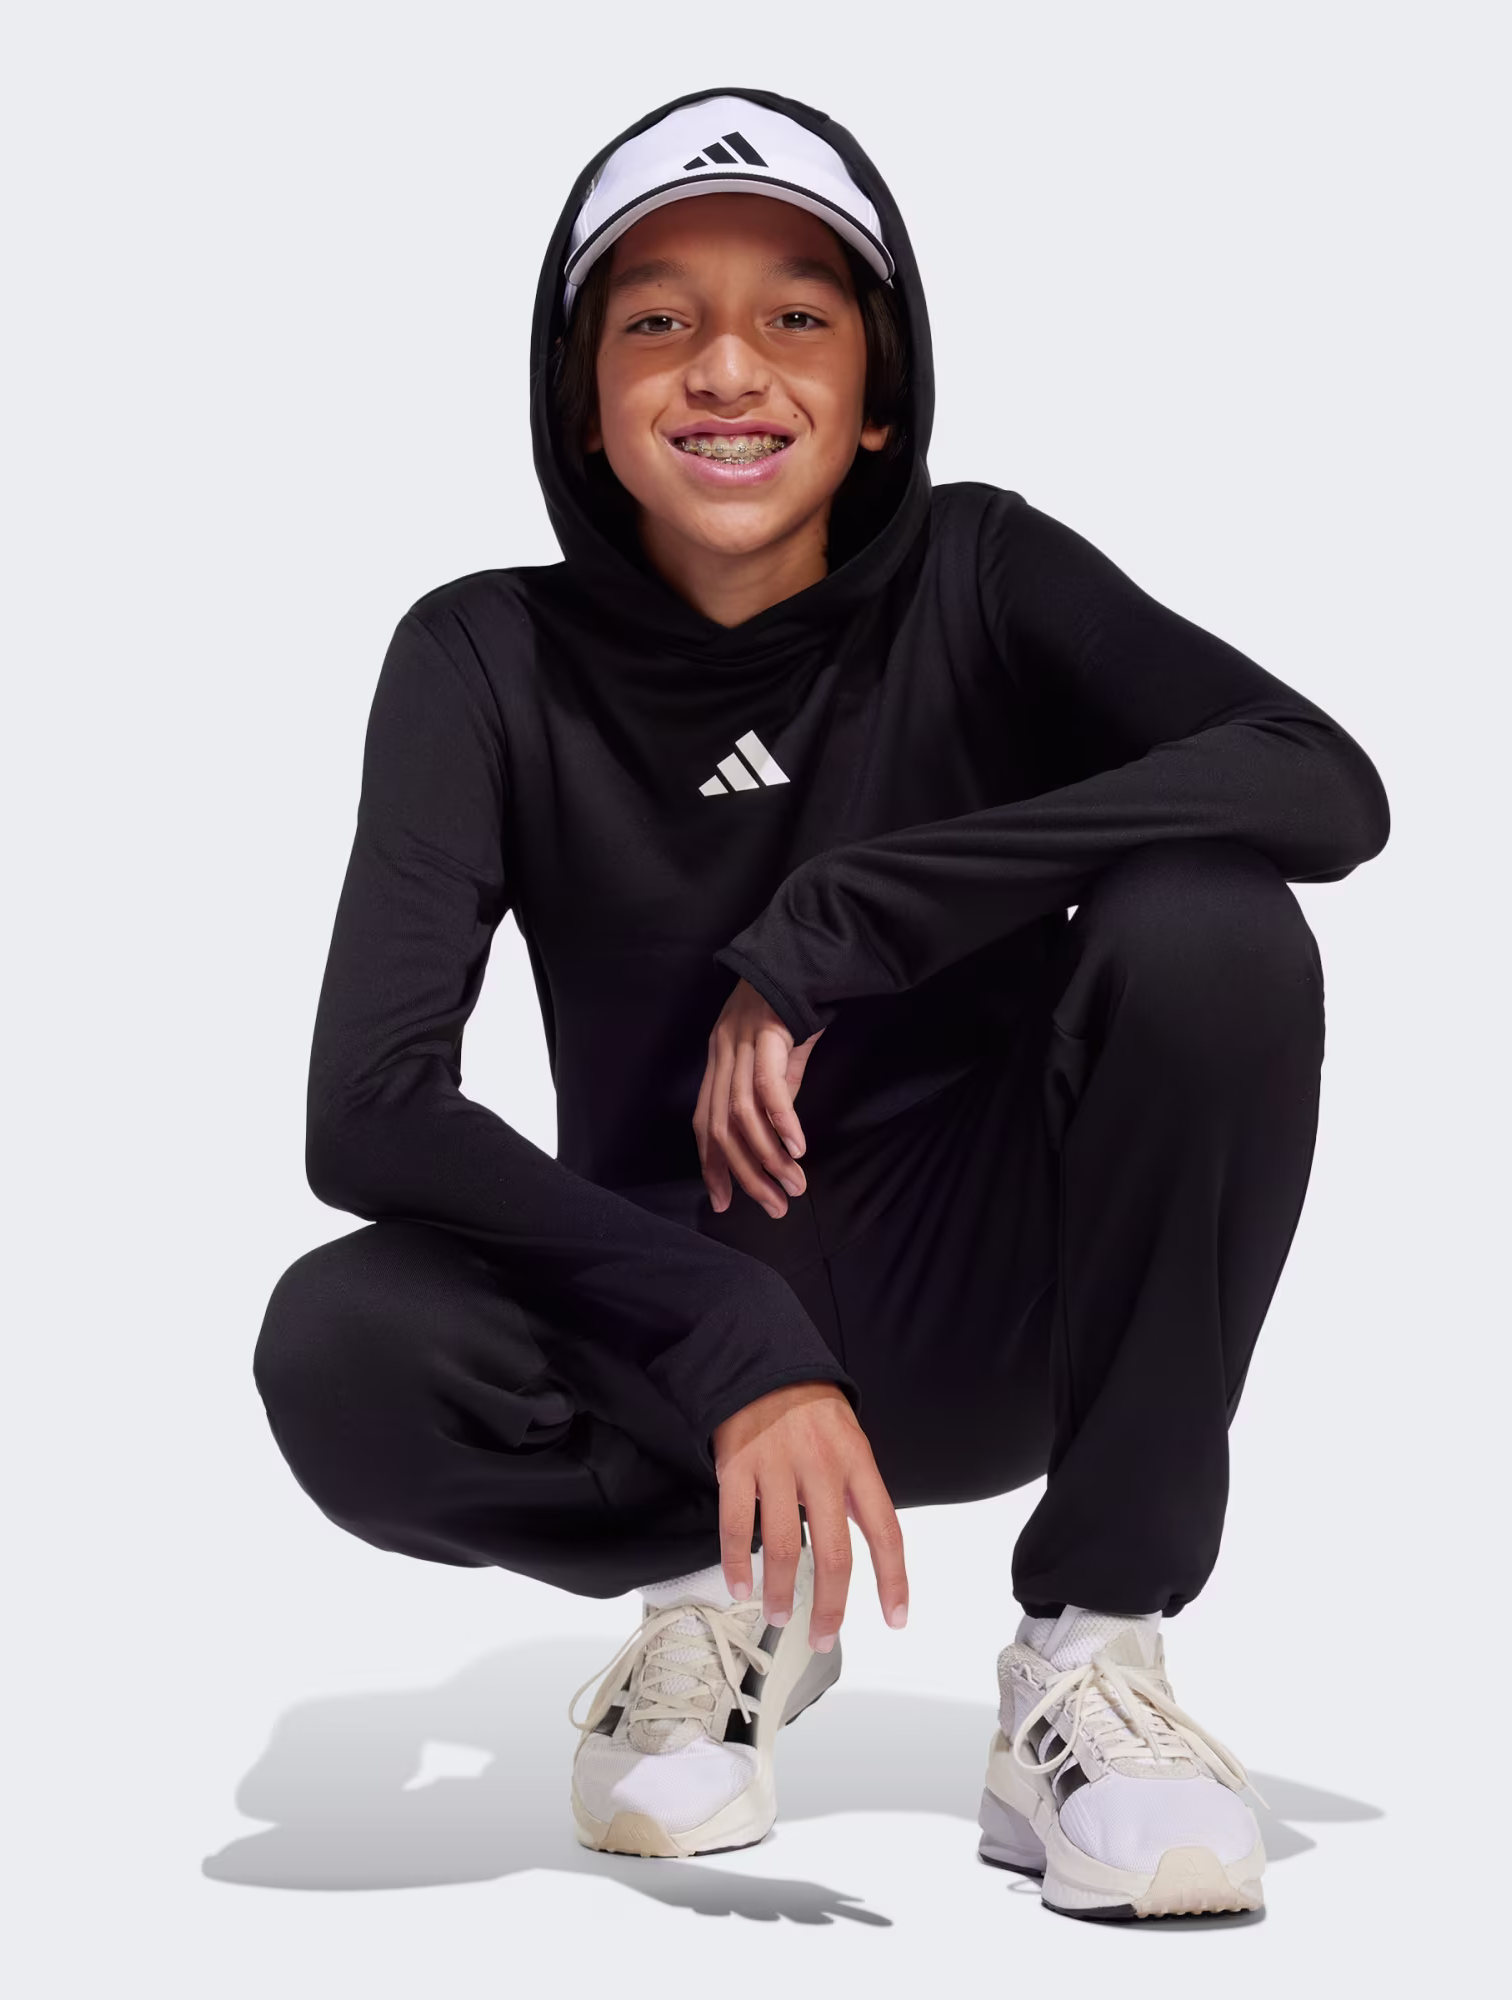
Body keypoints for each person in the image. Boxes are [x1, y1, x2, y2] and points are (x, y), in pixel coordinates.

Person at [252, 86, 1389, 1922]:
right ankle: (734, 1602)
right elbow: (370, 1107)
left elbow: (1318, 779)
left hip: (995, 1302)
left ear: (876, 398)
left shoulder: (982, 572)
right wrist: (733, 1337)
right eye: (657, 320)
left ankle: (1092, 1658)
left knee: (1212, 927)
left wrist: (838, 921)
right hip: (681, 1344)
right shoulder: (480, 654)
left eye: (796, 315)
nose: (727, 367)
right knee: (341, 1344)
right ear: (583, 401)